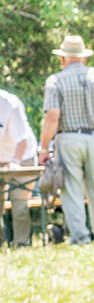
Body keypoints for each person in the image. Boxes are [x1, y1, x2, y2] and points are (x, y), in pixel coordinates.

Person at [38, 34, 94, 245]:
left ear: (63, 59)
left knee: (71, 189)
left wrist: (43, 149)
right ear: (84, 58)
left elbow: (52, 116)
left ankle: (80, 237)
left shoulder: (55, 80)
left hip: (68, 138)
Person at [0, 86, 38, 247]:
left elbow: (22, 140)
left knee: (19, 202)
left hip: (23, 156)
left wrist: (15, 161)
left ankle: (22, 243)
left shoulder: (9, 103)